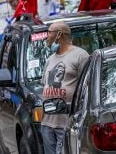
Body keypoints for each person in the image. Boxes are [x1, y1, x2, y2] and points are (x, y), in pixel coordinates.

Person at [38, 21, 90, 154]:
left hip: (66, 124)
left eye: (49, 32)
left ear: (59, 34)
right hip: (47, 123)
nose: (46, 36)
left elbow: (87, 87)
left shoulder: (80, 55)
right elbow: (45, 85)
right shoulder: (50, 59)